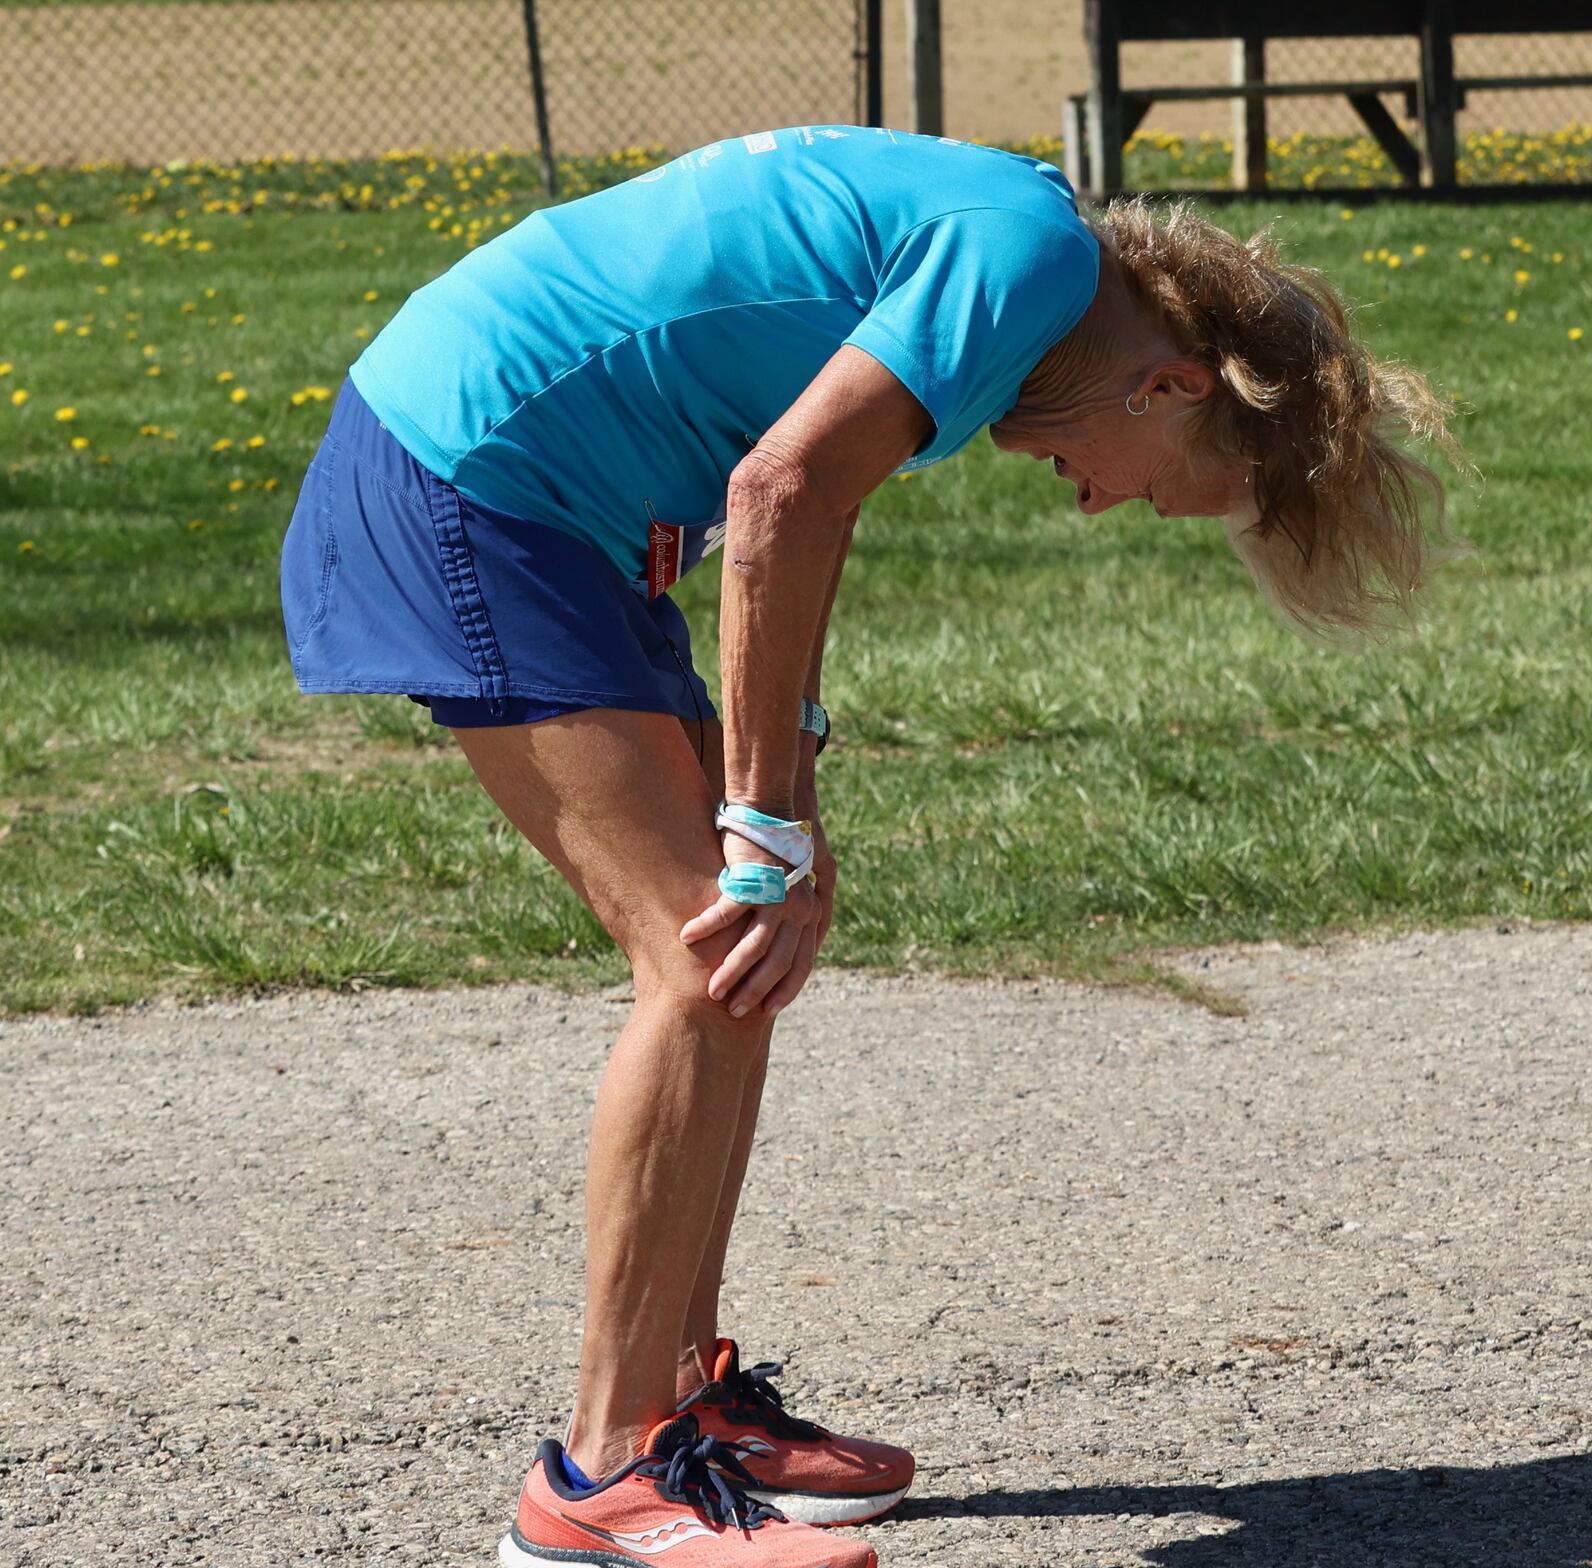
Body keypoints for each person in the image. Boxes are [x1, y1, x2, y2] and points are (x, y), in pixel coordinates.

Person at [279, 126, 1459, 1568]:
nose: (1093, 503)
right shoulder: (1026, 264)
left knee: (746, 946)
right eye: (1148, 487)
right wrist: (766, 821)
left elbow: (792, 513)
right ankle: (594, 1484)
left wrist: (790, 792)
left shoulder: (1021, 264)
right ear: (1173, 384)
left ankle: (680, 1414)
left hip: (560, 498)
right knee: (707, 949)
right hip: (474, 474)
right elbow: (780, 496)